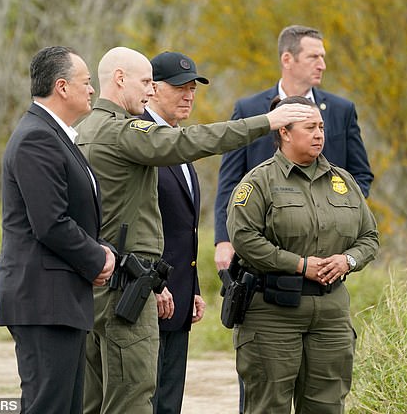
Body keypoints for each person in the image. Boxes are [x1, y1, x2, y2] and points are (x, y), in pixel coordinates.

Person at [75, 46, 315, 414]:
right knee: (132, 395)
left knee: (96, 398)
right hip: (125, 285)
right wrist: (265, 122)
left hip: (104, 280)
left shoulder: (84, 129)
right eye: (145, 82)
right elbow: (189, 142)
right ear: (120, 79)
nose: (149, 90)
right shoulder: (122, 130)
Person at [226, 96, 379, 413]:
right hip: (273, 313)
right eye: (310, 127)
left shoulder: (343, 181)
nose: (319, 134)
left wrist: (346, 260)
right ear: (284, 131)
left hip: (330, 313)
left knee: (326, 404)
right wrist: (298, 265)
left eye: (321, 127)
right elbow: (244, 239)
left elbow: (369, 237)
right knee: (270, 406)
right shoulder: (259, 182)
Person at [0, 46, 115, 414]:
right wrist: (97, 259)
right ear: (62, 87)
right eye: (86, 82)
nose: (92, 90)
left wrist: (101, 250)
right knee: (49, 405)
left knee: (64, 405)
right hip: (43, 299)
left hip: (59, 298)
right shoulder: (38, 137)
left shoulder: (57, 134)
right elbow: (50, 222)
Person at [214, 24, 375, 275]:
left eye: (323, 57)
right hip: (263, 248)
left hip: (326, 255)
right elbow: (230, 180)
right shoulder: (249, 109)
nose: (322, 64)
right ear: (287, 59)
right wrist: (224, 239)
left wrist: (341, 218)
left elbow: (360, 175)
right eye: (314, 57)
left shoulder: (341, 110)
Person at [140, 51, 209, 413]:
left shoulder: (178, 142)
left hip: (179, 297)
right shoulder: (141, 139)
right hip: (150, 294)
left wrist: (192, 287)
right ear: (151, 89)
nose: (189, 95)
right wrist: (153, 285)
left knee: (170, 402)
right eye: (179, 87)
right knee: (145, 399)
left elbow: (184, 228)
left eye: (193, 88)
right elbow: (137, 221)